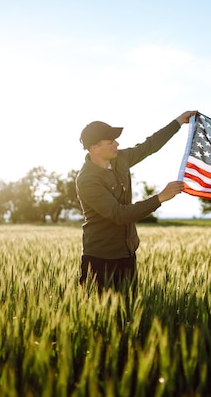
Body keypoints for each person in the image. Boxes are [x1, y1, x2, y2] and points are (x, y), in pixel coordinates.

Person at [76, 110, 198, 291]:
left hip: (127, 253)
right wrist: (160, 198)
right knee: (103, 316)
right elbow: (119, 214)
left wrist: (178, 122)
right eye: (110, 142)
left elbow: (149, 146)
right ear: (95, 149)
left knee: (128, 313)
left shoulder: (121, 159)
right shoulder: (87, 180)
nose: (117, 144)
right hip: (101, 259)